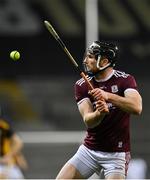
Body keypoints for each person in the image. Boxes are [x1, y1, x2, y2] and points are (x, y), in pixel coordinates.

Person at [56, 41, 142, 179]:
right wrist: (99, 113)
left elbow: (136, 107)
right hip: (89, 150)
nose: (85, 60)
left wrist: (108, 96)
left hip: (116, 154)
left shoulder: (125, 80)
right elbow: (88, 121)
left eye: (90, 57)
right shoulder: (82, 85)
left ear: (104, 61)